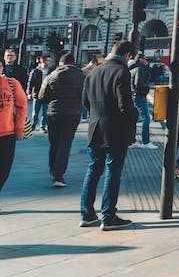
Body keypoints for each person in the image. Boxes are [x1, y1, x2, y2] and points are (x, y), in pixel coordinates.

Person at [80, 40, 138, 230]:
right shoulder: (122, 72)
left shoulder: (94, 71)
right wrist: (135, 116)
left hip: (95, 127)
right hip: (115, 130)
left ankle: (87, 214)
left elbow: (85, 101)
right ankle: (109, 216)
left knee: (93, 169)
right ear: (128, 55)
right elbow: (125, 105)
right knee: (113, 171)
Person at [38, 53, 85, 187]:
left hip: (54, 114)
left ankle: (53, 169)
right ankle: (59, 175)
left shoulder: (51, 76)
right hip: (72, 114)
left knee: (54, 143)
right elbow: (85, 96)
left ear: (60, 63)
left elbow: (42, 97)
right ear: (74, 63)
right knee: (65, 144)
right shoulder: (81, 77)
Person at [1, 63, 28, 207]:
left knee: (5, 168)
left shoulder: (12, 84)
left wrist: (19, 128)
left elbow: (22, 106)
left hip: (8, 134)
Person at [129, 53, 157, 149]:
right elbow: (138, 83)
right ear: (140, 59)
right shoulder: (140, 69)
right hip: (140, 96)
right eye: (145, 59)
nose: (146, 61)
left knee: (134, 119)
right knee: (146, 119)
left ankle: (132, 141)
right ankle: (145, 142)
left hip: (134, 96)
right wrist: (147, 88)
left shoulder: (133, 68)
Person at [28, 54, 52, 133]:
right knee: (35, 112)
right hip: (37, 94)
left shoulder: (51, 71)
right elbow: (31, 82)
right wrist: (29, 93)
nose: (49, 62)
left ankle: (42, 126)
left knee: (45, 112)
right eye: (47, 60)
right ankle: (34, 124)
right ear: (42, 60)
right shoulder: (35, 71)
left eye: (49, 60)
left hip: (47, 94)